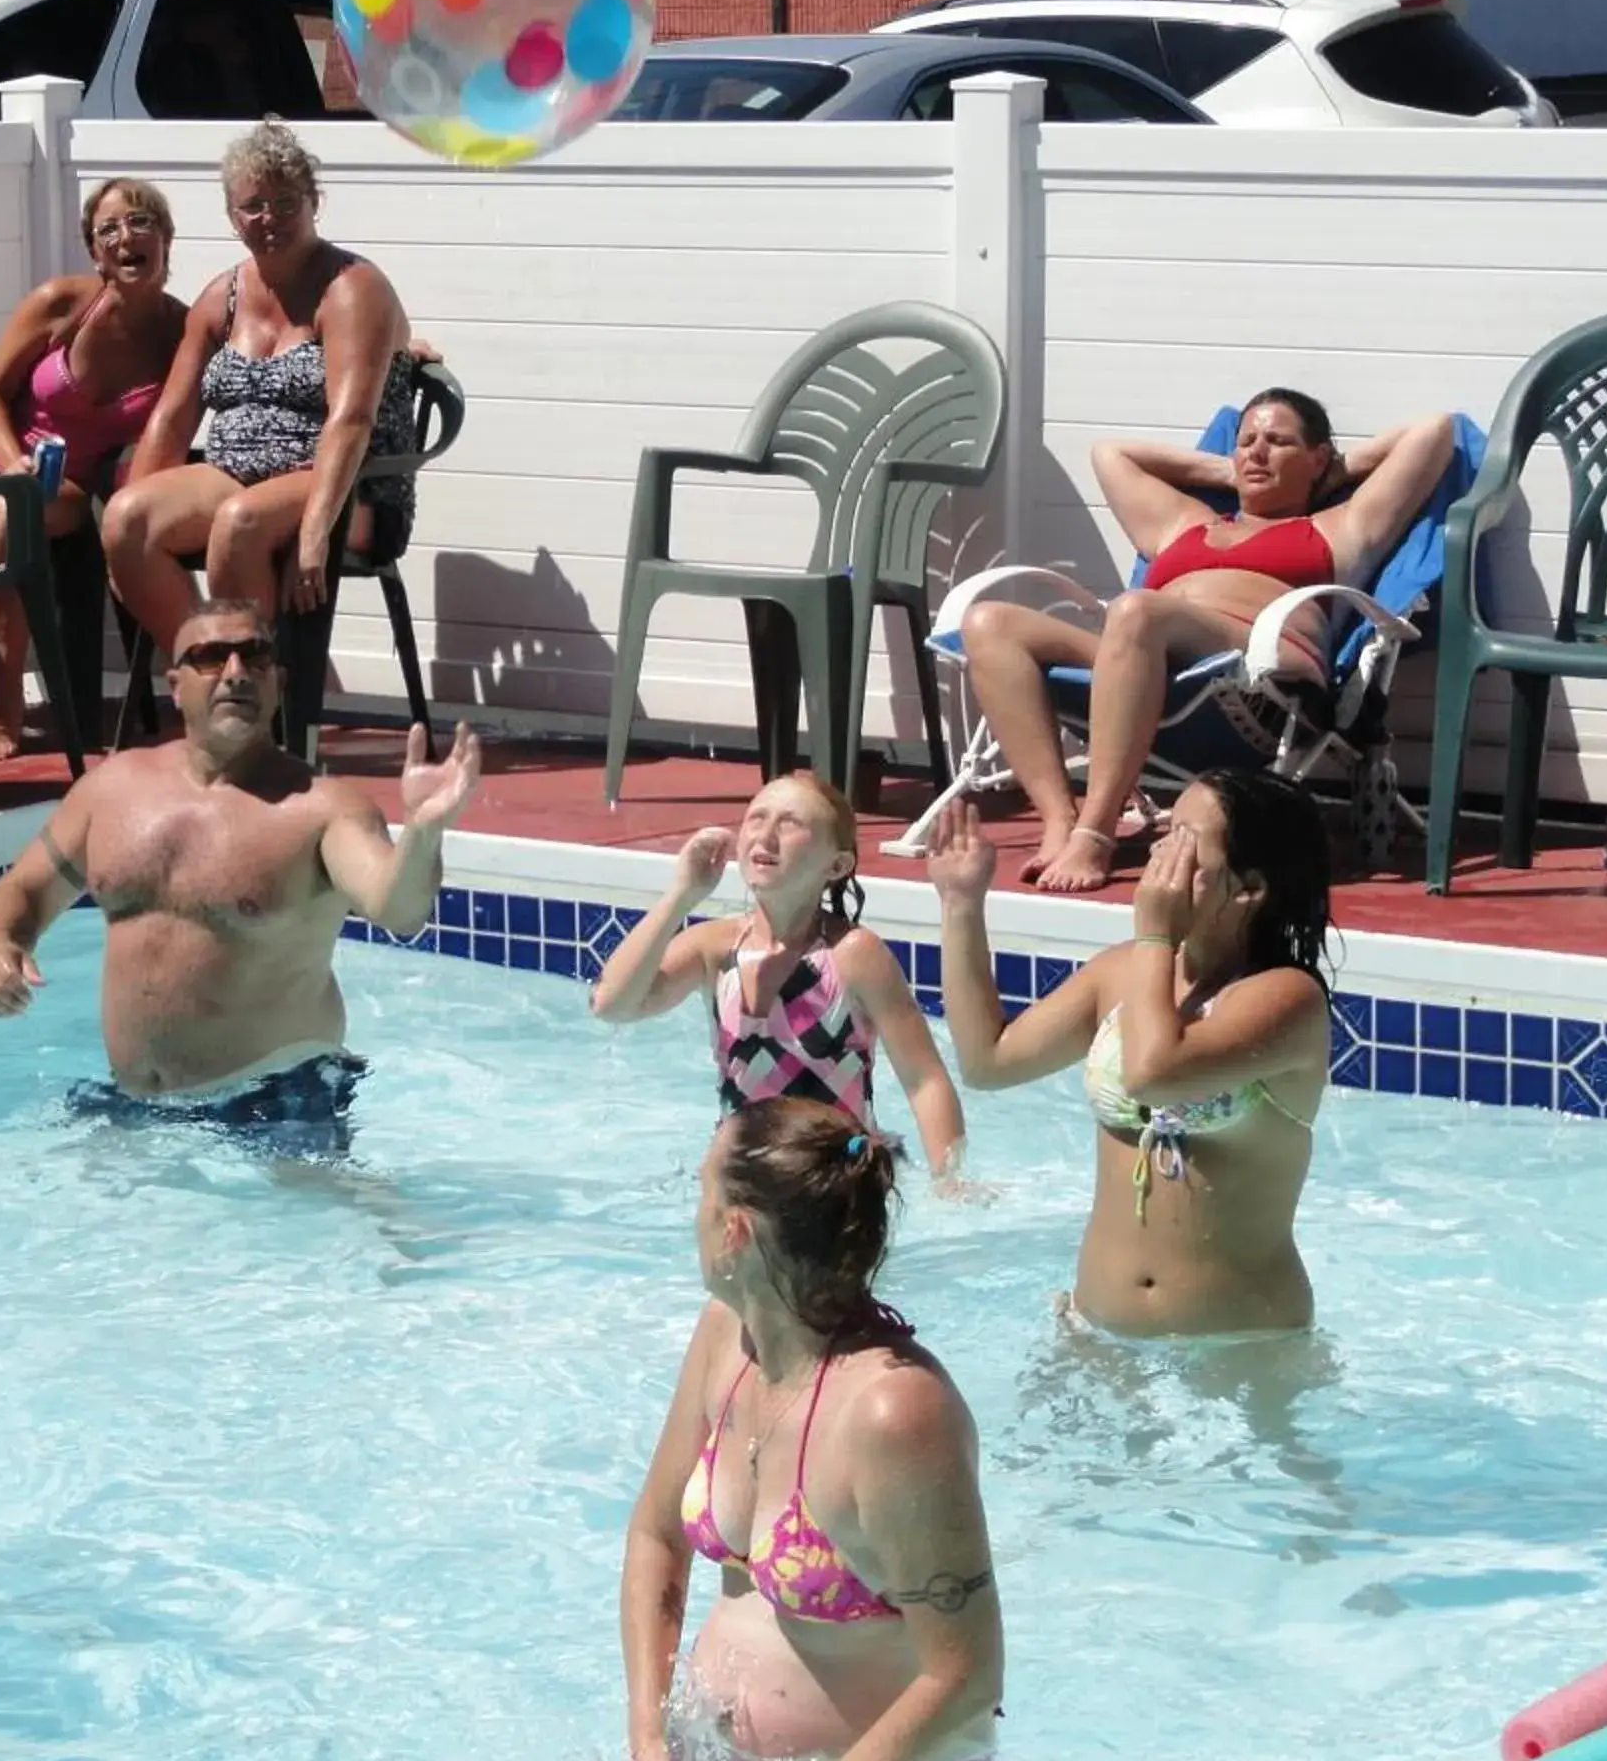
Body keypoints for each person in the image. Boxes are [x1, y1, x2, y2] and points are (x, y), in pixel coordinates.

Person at [0, 597, 481, 1147]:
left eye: (254, 657)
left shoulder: (321, 809)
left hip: (279, 1100)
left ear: (277, 682)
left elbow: (400, 909)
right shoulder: (112, 791)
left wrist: (425, 832)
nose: (236, 673)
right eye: (211, 657)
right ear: (174, 682)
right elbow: (22, 888)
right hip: (135, 1101)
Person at [623, 1101, 1003, 1761]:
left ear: (734, 1231)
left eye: (701, 1192)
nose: (694, 1217)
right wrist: (649, 1741)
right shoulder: (724, 1339)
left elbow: (966, 1678)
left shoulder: (895, 1413)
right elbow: (655, 1535)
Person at [957, 391, 1456, 889]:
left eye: (1278, 441)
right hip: (1148, 654)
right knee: (988, 622)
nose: (1256, 452)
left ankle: (1096, 832)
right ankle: (1058, 819)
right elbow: (1110, 454)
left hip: (1254, 664)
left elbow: (1434, 431)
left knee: (1134, 610)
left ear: (1318, 456)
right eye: (1246, 441)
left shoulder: (1341, 527)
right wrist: (1227, 471)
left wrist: (1334, 472)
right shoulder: (1185, 520)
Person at [923, 770, 1333, 1339]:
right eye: (1166, 830)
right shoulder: (1122, 973)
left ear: (1248, 889)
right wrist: (961, 906)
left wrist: (1155, 936)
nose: (1161, 851)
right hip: (1098, 1329)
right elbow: (988, 1062)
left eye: (1186, 841)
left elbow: (1153, 1074)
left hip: (1241, 1347)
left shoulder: (1287, 999)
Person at [99, 120, 424, 645]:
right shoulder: (220, 296)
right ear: (232, 217)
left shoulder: (351, 288)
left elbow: (351, 419)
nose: (268, 218)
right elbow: (174, 415)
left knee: (239, 523)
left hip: (349, 487)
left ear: (314, 202)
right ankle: (212, 670)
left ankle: (261, 704)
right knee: (125, 519)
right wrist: (124, 546)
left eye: (286, 203)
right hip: (235, 477)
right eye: (253, 206)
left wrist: (316, 529)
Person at [0, 176, 190, 760]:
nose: (125, 236)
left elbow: (269, 343)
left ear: (165, 236)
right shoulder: (60, 303)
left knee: (11, 520)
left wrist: (399, 346)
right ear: (94, 250)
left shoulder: (184, 332)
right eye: (108, 228)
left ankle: (6, 699)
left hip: (71, 482)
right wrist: (13, 463)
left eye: (139, 221)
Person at [590, 772, 969, 1186]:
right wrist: (681, 895)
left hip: (837, 1179)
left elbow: (924, 1079)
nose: (765, 836)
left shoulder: (853, 956)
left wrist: (949, 1181)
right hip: (742, 1178)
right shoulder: (714, 948)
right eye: (756, 818)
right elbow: (613, 1004)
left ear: (837, 865)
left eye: (790, 824)